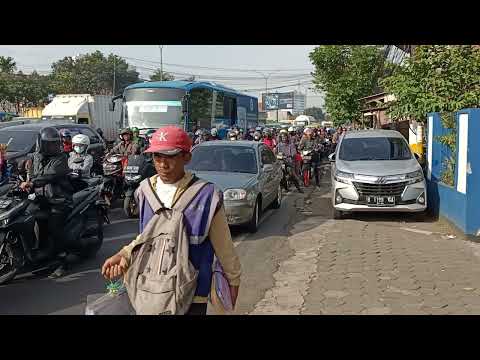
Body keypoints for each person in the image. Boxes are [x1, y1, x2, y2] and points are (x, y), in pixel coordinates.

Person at [101, 126, 242, 315]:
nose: (162, 165)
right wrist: (125, 254)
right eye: (157, 157)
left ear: (186, 157)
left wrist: (233, 280)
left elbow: (223, 245)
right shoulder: (144, 191)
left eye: (171, 157)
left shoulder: (207, 195)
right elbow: (146, 236)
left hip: (192, 291)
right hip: (150, 288)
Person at [20, 127, 74, 278]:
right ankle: (43, 257)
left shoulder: (61, 158)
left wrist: (32, 183)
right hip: (40, 199)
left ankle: (63, 262)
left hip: (59, 199)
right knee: (32, 221)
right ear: (41, 144)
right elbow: (30, 172)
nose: (53, 147)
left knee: (54, 228)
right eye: (49, 144)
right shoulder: (36, 157)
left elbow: (50, 175)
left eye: (55, 144)